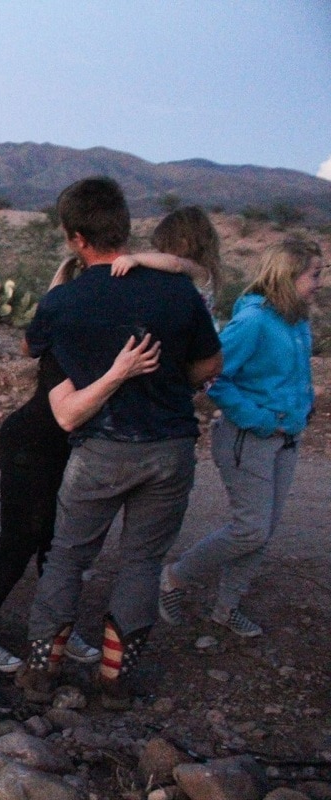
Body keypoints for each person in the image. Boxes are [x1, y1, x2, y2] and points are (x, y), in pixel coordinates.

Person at [16, 177, 223, 710]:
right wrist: (175, 381)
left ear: (76, 237)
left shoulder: (66, 302)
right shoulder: (177, 291)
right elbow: (209, 363)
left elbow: (29, 346)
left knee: (67, 558)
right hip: (170, 446)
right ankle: (115, 680)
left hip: (101, 449)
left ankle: (41, 672)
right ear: (125, 226)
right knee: (142, 562)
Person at [0, 262, 162, 672]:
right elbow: (70, 412)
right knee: (19, 541)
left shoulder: (91, 338)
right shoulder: (62, 344)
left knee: (57, 544)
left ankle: (55, 633)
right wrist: (121, 373)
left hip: (61, 449)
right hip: (30, 445)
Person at [158, 238, 323, 639]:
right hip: (248, 439)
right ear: (288, 275)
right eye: (314, 274)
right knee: (251, 528)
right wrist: (261, 419)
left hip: (286, 438)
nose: (319, 282)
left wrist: (300, 408)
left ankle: (226, 609)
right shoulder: (253, 322)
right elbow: (211, 375)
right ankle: (174, 578)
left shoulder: (296, 318)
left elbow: (291, 373)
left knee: (262, 531)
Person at [112, 205, 223, 315]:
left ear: (183, 244)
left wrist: (136, 259)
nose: (163, 256)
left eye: (165, 250)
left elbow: (175, 263)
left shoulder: (199, 271)